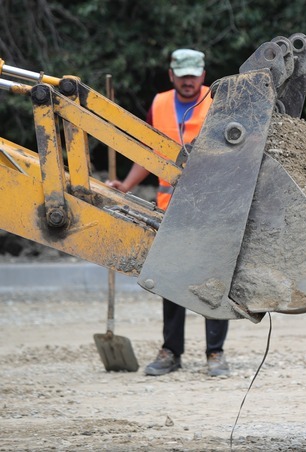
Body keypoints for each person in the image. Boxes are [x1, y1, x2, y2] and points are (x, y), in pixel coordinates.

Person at [107, 48, 230, 378]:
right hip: (171, 212)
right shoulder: (160, 104)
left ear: (203, 76)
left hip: (211, 209)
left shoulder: (219, 102)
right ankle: (171, 351)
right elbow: (149, 152)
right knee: (171, 281)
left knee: (212, 282)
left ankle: (215, 354)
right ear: (171, 74)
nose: (188, 81)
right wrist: (126, 186)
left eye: (193, 75)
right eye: (182, 75)